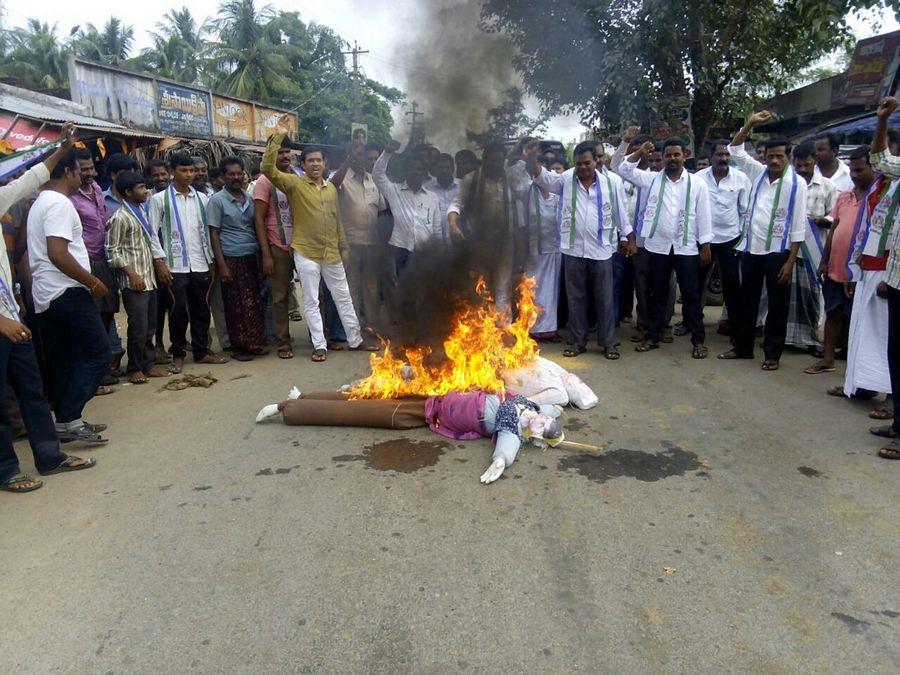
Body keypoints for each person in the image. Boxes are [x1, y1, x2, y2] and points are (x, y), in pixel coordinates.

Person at [0, 122, 97, 493]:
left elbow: (30, 179)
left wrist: (61, 148)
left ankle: (50, 456)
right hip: (3, 321)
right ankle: (7, 470)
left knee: (32, 390)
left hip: (12, 315)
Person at [255, 386, 564, 485]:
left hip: (441, 405)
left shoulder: (517, 420)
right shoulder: (522, 409)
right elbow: (549, 409)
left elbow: (508, 446)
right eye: (542, 422)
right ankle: (299, 401)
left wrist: (500, 461)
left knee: (376, 404)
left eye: (540, 430)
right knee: (373, 396)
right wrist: (501, 461)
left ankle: (294, 406)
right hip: (445, 396)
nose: (537, 423)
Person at [261, 115, 373, 363]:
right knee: (311, 300)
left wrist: (343, 246)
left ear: (324, 164)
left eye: (318, 160)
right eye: (310, 160)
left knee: (343, 296)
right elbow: (266, 169)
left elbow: (336, 220)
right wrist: (279, 135)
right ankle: (319, 345)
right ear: (303, 163)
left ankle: (355, 340)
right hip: (305, 252)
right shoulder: (294, 183)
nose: (314, 164)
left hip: (331, 252)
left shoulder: (331, 188)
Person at [28, 147, 112, 443]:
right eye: (80, 171)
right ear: (68, 172)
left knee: (66, 358)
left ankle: (67, 419)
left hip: (48, 293)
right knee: (99, 351)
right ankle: (70, 416)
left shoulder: (40, 203)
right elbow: (57, 253)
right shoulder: (59, 204)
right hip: (66, 290)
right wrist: (92, 282)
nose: (83, 176)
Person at [527, 140, 633, 358]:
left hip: (602, 250)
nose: (583, 168)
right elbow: (543, 178)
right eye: (578, 164)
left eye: (587, 163)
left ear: (596, 161)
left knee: (604, 299)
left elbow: (621, 211)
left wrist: (628, 237)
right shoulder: (566, 179)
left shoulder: (611, 182)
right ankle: (577, 341)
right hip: (573, 249)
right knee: (576, 299)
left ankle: (608, 343)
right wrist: (531, 158)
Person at [719, 111, 808, 371]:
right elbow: (735, 149)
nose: (775, 160)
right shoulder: (758, 173)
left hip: (779, 252)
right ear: (764, 157)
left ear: (788, 157)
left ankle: (772, 354)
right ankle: (743, 347)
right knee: (747, 301)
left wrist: (791, 261)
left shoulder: (797, 184)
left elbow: (798, 226)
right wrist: (750, 123)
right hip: (752, 248)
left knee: (777, 306)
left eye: (780, 156)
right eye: (771, 156)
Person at [619, 138, 713, 358]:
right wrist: (640, 151)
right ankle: (653, 336)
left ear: (684, 156)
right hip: (658, 246)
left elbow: (703, 215)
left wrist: (705, 245)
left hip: (687, 246)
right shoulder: (651, 179)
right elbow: (624, 169)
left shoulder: (696, 183)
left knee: (691, 296)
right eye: (668, 155)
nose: (672, 159)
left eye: (676, 155)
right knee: (657, 294)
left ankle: (698, 341)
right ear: (662, 159)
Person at [148, 152, 228, 374]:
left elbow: (207, 231)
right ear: (173, 171)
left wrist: (211, 260)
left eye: (192, 170)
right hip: (175, 265)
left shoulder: (203, 199)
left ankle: (202, 351)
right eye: (184, 170)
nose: (189, 174)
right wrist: (159, 262)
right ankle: (178, 354)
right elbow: (152, 232)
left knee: (201, 309)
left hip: (201, 262)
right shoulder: (158, 200)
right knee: (178, 310)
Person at [806, 147, 875, 377]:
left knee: (860, 321)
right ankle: (828, 359)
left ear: (873, 169)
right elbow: (834, 228)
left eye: (860, 170)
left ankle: (857, 371)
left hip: (861, 272)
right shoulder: (845, 195)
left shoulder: (877, 198)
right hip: (836, 268)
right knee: (832, 313)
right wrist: (824, 261)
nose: (854, 175)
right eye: (852, 170)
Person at [105, 170, 173, 384]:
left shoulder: (141, 211)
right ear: (128, 192)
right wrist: (131, 273)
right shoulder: (120, 217)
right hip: (134, 281)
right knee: (138, 327)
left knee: (150, 325)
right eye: (141, 188)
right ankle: (135, 368)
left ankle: (148, 364)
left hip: (149, 278)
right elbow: (111, 251)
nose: (146, 191)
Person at [860, 96, 900, 459]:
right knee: (896, 353)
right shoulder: (899, 173)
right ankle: (898, 424)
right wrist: (883, 120)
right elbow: (880, 160)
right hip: (898, 278)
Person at [448, 142, 531, 313]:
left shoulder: (510, 178)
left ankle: (501, 327)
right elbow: (456, 204)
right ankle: (480, 324)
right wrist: (453, 225)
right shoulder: (471, 179)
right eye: (492, 161)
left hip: (505, 241)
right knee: (479, 284)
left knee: (503, 284)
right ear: (484, 160)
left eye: (499, 161)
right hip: (479, 242)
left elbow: (521, 202)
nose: (496, 165)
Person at [208, 156, 267, 362]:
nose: (236, 177)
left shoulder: (249, 198)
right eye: (231, 174)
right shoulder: (217, 201)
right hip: (231, 256)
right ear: (223, 177)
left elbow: (255, 226)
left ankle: (254, 343)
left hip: (251, 255)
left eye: (239, 173)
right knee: (235, 304)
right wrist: (222, 265)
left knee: (253, 302)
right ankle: (239, 346)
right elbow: (214, 233)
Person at [70, 149, 120, 389]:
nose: (89, 173)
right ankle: (95, 373)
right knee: (92, 316)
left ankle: (103, 365)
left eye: (91, 168)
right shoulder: (70, 198)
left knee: (108, 311)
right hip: (84, 261)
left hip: (105, 258)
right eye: (84, 169)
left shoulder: (98, 190)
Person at [330, 144, 388, 329]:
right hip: (349, 243)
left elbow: (381, 210)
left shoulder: (374, 181)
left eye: (364, 155)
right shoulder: (341, 179)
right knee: (351, 286)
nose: (361, 159)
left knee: (371, 286)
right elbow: (331, 186)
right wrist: (347, 161)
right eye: (357, 155)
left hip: (372, 243)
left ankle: (371, 327)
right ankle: (352, 329)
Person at [696, 141, 750, 334]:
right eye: (719, 155)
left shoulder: (741, 179)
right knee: (697, 283)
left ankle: (735, 326)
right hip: (704, 240)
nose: (724, 158)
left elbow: (745, 211)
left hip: (731, 239)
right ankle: (692, 322)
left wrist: (742, 242)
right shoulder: (699, 178)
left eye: (727, 155)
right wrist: (702, 240)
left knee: (732, 285)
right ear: (711, 157)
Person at [787, 142, 837, 353]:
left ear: (814, 162)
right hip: (791, 250)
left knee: (812, 296)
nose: (802, 170)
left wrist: (822, 220)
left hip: (815, 250)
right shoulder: (789, 183)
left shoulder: (827, 186)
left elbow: (836, 216)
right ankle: (786, 337)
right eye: (799, 165)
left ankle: (811, 339)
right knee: (787, 295)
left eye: (806, 165)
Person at [253, 135, 297, 359]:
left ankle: (319, 338)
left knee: (311, 294)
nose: (285, 155)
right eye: (280, 151)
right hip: (278, 246)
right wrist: (266, 254)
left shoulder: (298, 176)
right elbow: (259, 219)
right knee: (279, 297)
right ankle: (283, 342)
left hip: (301, 245)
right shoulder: (264, 181)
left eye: (287, 151)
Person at [373, 140, 441, 276]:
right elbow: (378, 175)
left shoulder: (432, 197)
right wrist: (387, 153)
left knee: (424, 287)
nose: (415, 172)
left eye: (419, 169)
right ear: (406, 171)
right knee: (404, 288)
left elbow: (437, 227)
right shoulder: (394, 191)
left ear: (424, 173)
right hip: (400, 248)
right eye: (412, 168)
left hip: (425, 251)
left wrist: (438, 248)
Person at [426, 153, 461, 243]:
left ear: (453, 169)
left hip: (459, 237)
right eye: (440, 168)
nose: (444, 171)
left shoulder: (463, 186)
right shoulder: (427, 188)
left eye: (447, 167)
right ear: (435, 169)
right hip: (433, 241)